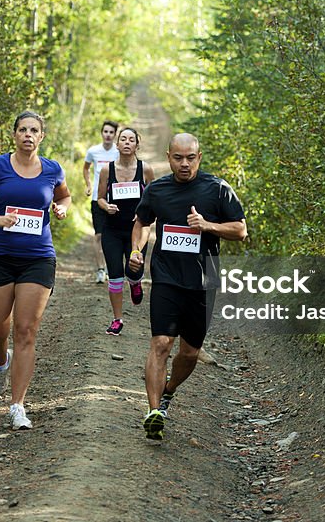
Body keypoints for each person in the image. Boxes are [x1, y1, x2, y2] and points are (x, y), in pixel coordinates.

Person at [129, 133, 247, 440]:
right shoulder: (158, 190)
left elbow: (240, 230)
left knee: (190, 353)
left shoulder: (217, 189)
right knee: (161, 344)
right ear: (168, 157)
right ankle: (154, 412)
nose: (184, 164)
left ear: (199, 157)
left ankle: (168, 391)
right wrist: (137, 250)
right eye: (178, 158)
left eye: (190, 158)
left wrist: (207, 225)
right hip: (166, 278)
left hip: (202, 282)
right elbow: (142, 222)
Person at [0, 111, 71, 430]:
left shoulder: (52, 169)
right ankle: (1, 361)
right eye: (22, 129)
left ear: (41, 137)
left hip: (38, 258)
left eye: (34, 130)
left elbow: (64, 195)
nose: (28, 134)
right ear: (14, 135)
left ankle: (17, 406)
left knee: (25, 331)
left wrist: (63, 207)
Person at [96, 126, 155, 336]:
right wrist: (106, 206)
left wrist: (143, 214)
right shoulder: (107, 170)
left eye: (132, 139)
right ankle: (117, 319)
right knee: (115, 275)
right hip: (112, 229)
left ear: (137, 145)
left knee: (134, 269)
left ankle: (136, 281)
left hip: (136, 231)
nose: (127, 142)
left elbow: (153, 199)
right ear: (118, 144)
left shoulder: (145, 169)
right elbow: (100, 198)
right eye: (123, 139)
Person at [83, 121, 119, 283]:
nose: (108, 135)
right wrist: (89, 184)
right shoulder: (93, 151)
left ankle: (114, 269)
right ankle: (100, 270)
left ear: (115, 135)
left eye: (111, 132)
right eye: (105, 131)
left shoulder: (118, 152)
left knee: (114, 235)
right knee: (98, 235)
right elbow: (86, 168)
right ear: (101, 133)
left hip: (115, 199)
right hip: (97, 199)